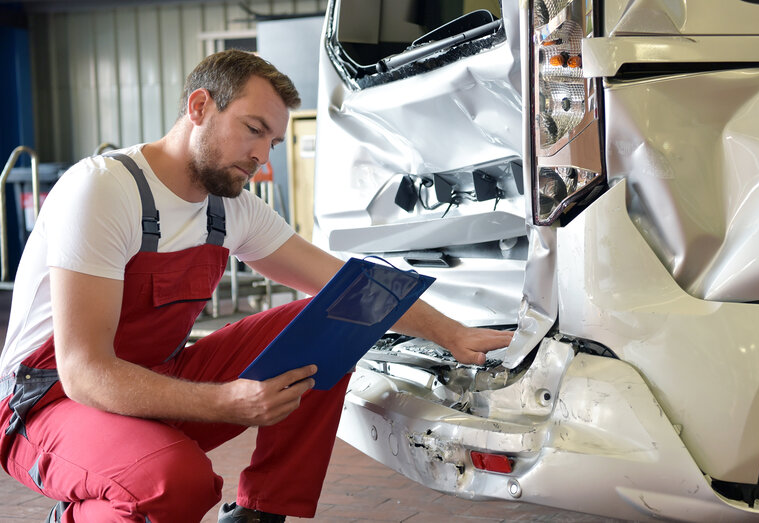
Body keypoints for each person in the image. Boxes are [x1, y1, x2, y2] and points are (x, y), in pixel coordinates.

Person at [0, 49, 513, 522]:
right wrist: (227, 403)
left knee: (335, 318)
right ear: (199, 106)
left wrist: (452, 334)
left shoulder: (230, 206)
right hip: (49, 403)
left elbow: (350, 289)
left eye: (271, 142)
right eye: (253, 129)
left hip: (154, 378)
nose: (261, 158)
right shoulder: (104, 189)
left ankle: (260, 512)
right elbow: (84, 373)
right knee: (175, 483)